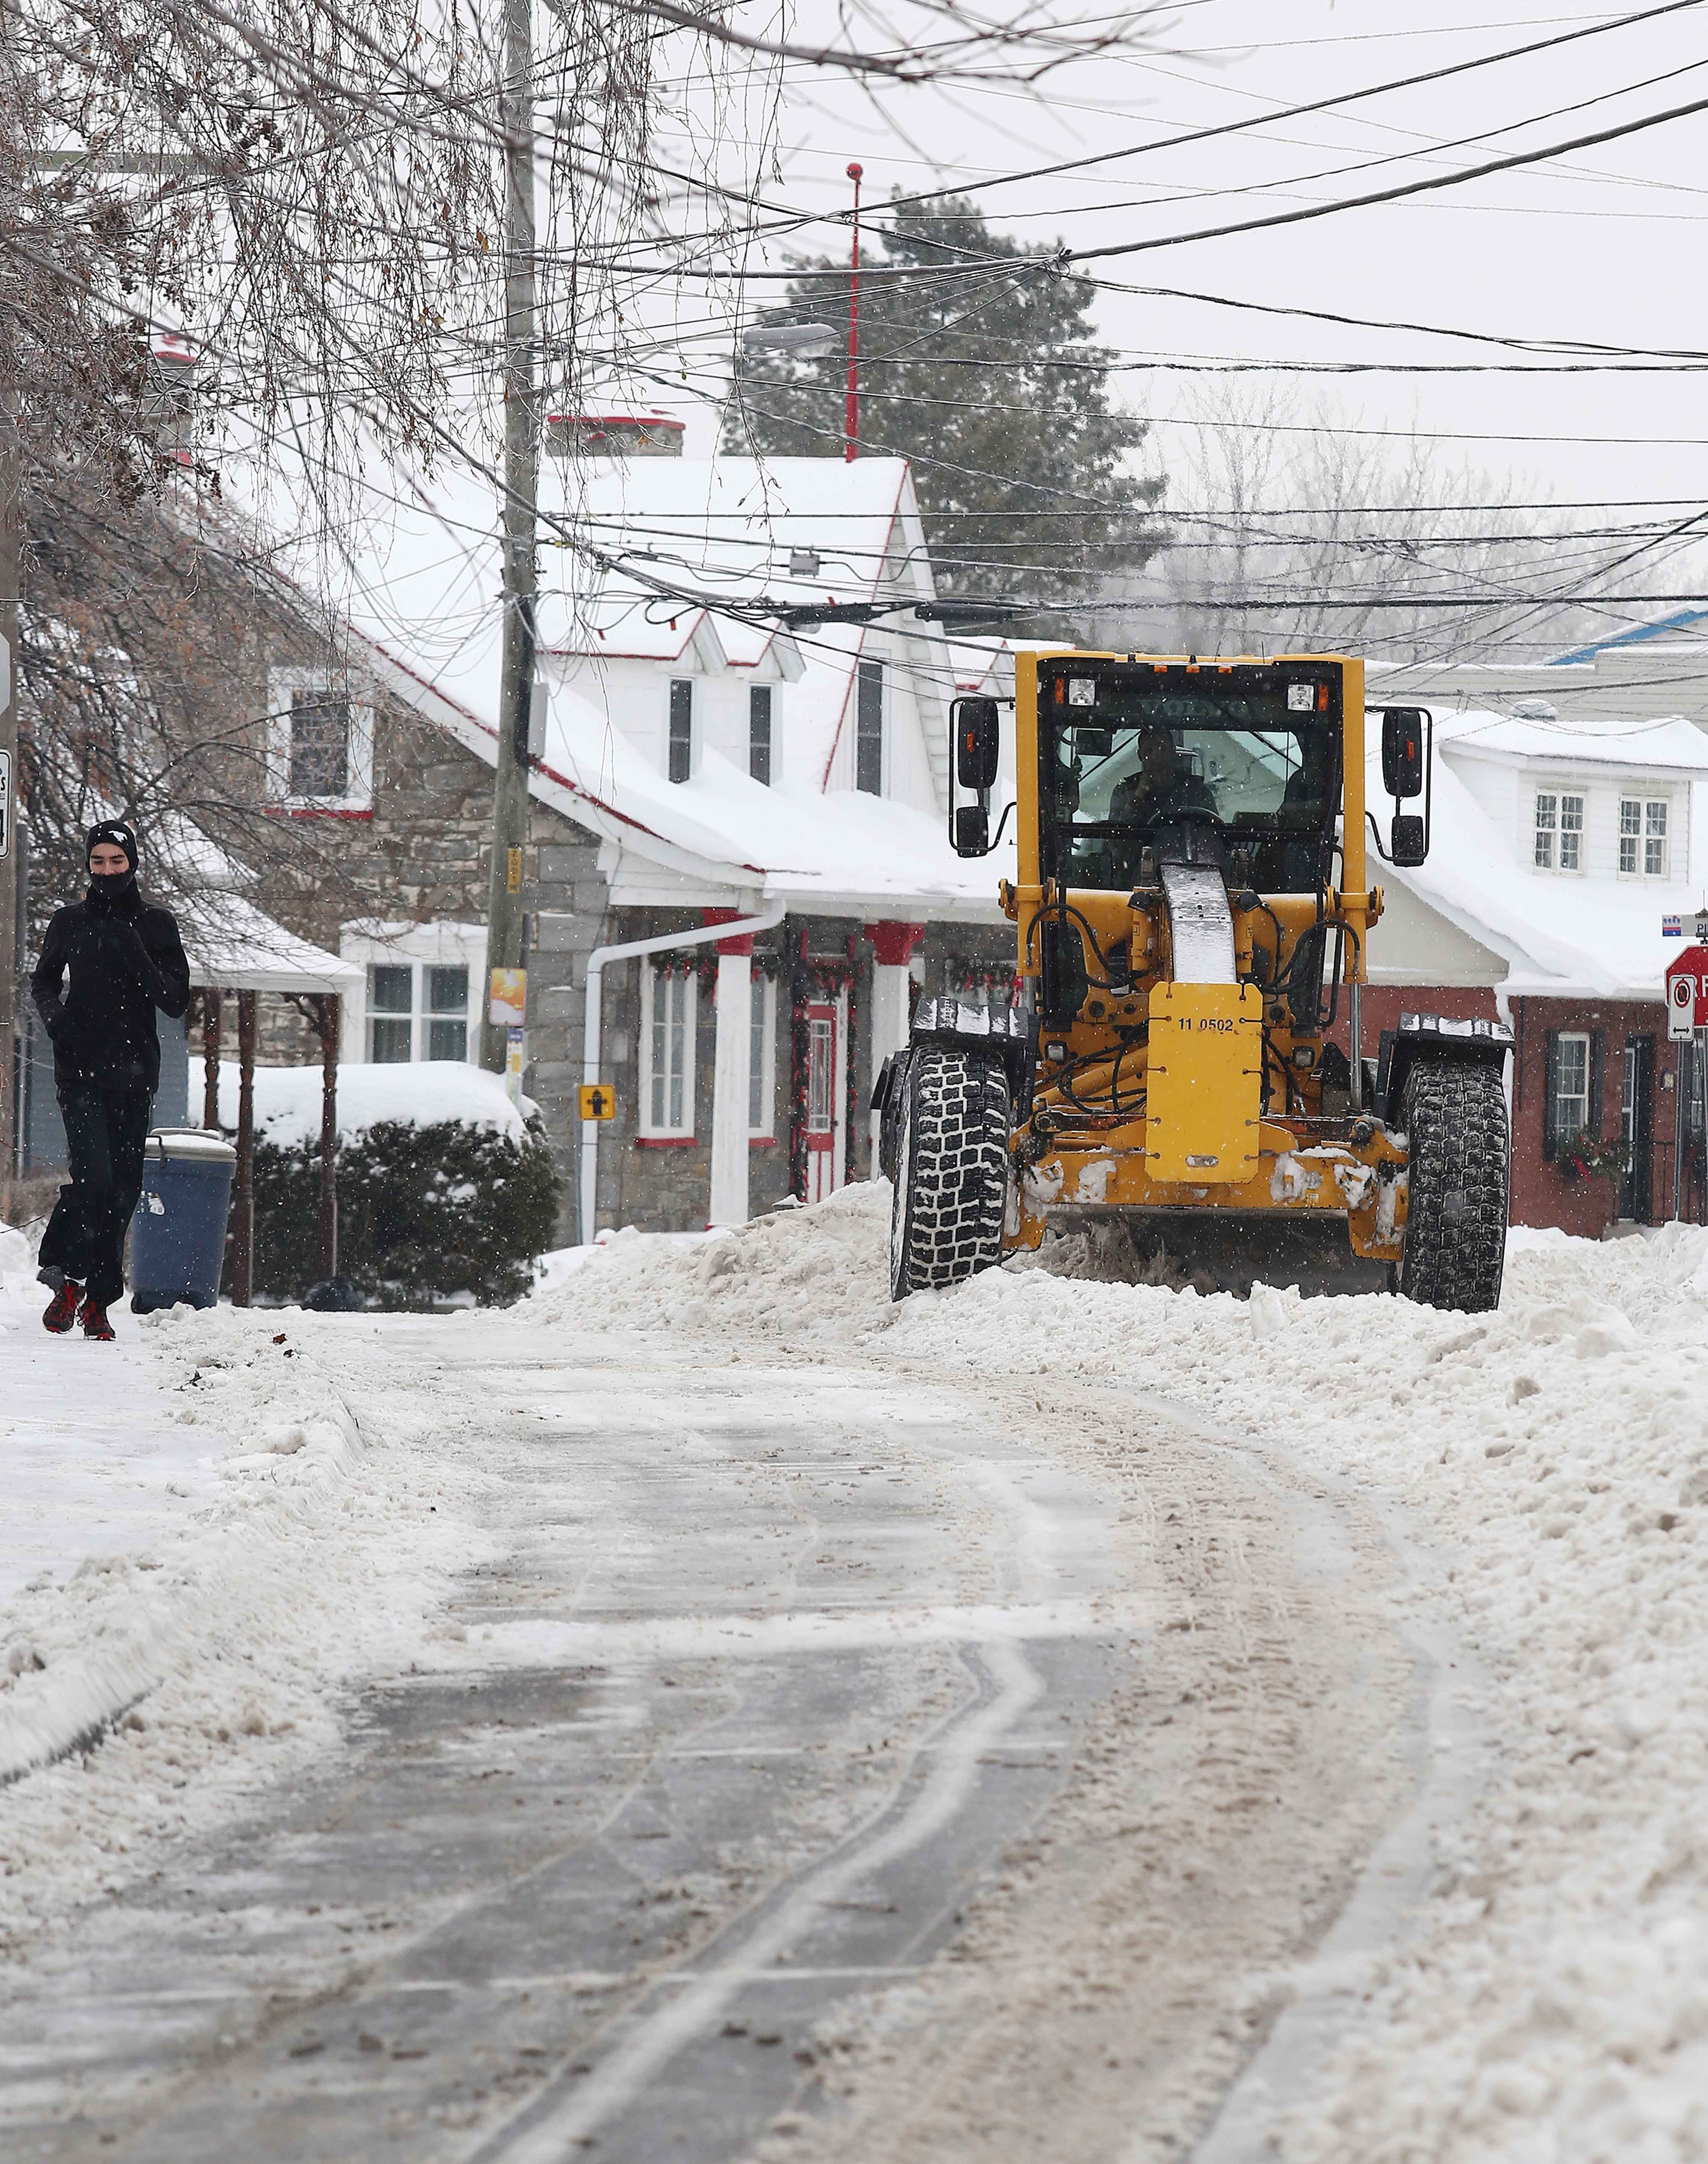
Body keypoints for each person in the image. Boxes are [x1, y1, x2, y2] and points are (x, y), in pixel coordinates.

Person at [30, 822, 191, 1340]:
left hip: (135, 1071)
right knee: (94, 1180)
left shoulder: (157, 924)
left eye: (116, 861)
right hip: (80, 1069)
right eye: (98, 861)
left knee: (122, 1191)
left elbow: (175, 1000)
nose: (106, 871)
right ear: (88, 865)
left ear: (132, 863)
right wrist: (57, 1020)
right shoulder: (69, 921)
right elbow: (43, 980)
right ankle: (68, 1280)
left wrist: (137, 952)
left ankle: (96, 1300)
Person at [1110, 725, 1219, 831]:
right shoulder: (1124, 793)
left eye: (1162, 749)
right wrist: (1138, 797)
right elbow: (1116, 838)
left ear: (1173, 752)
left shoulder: (1198, 792)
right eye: (1149, 751)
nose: (1156, 757)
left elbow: (1214, 835)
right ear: (1140, 755)